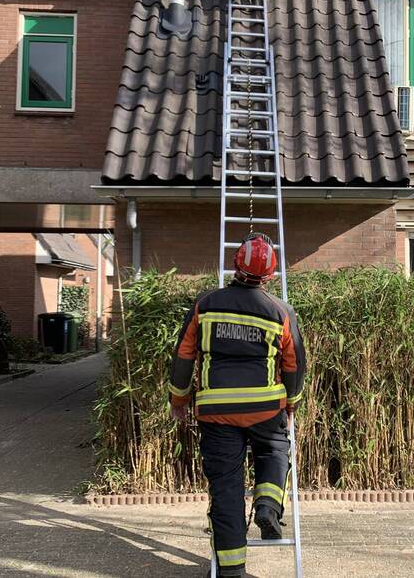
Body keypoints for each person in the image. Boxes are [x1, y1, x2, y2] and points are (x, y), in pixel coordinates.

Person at [169, 232, 305, 578]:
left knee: (226, 489)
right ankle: (268, 506)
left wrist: (179, 400)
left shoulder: (205, 304)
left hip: (217, 414)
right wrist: (291, 403)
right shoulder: (281, 311)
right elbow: (294, 364)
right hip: (264, 409)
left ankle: (232, 571)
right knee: (275, 449)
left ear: (236, 265)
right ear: (271, 274)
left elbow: (184, 356)